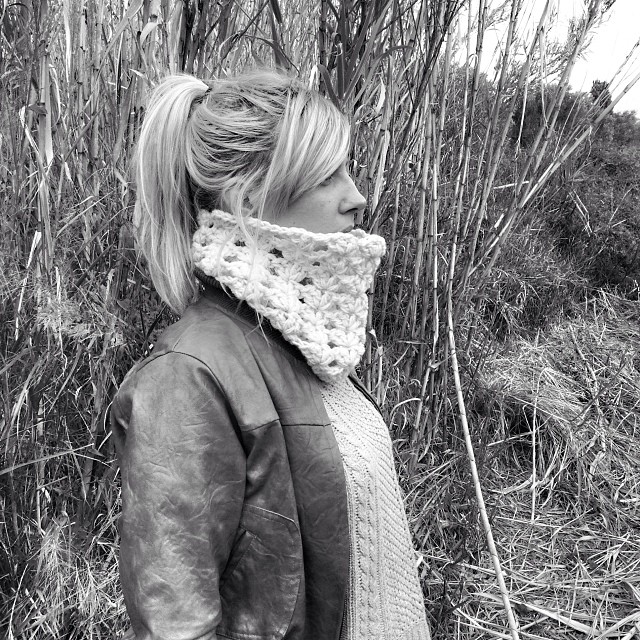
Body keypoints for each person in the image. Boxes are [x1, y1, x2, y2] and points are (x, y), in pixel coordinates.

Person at [110, 69, 431, 640]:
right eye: (327, 177)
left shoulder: (304, 339)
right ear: (250, 198)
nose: (357, 197)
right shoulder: (187, 376)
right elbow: (174, 625)